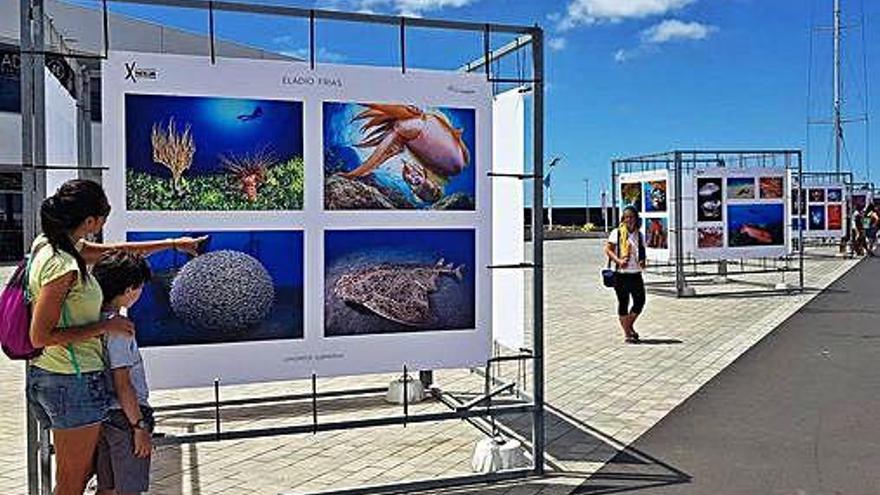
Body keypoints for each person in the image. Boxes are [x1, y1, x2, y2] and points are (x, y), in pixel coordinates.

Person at [25, 179, 204, 495]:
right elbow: (40, 335)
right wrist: (104, 328)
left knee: (76, 477)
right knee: (72, 482)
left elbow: (116, 252)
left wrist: (174, 243)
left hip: (60, 378)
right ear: (90, 220)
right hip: (70, 381)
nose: (102, 227)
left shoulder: (53, 244)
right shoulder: (62, 264)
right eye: (102, 219)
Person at [91, 251, 153, 495]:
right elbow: (123, 383)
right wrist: (139, 426)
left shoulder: (96, 322)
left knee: (107, 487)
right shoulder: (119, 329)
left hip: (105, 416)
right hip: (126, 418)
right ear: (129, 289)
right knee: (128, 488)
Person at [604, 206, 646, 344]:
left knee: (640, 302)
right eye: (626, 217)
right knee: (624, 302)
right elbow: (608, 249)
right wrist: (618, 260)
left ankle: (628, 325)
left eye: (631, 217)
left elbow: (642, 251)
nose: (629, 220)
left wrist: (642, 261)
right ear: (623, 219)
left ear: (636, 219)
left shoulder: (640, 235)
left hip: (636, 273)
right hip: (621, 274)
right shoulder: (616, 233)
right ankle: (627, 333)